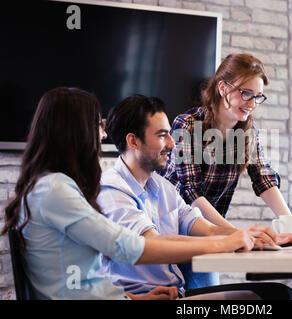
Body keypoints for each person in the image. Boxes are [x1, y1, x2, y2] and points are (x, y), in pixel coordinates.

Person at [0, 87, 256, 300]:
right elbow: (130, 248)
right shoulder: (55, 191)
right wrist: (225, 243)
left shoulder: (54, 187)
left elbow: (90, 283)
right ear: (74, 132)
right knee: (259, 299)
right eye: (95, 124)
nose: (102, 134)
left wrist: (136, 299)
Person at [96, 94, 292, 300]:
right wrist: (227, 242)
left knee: (279, 294)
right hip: (144, 297)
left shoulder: (164, 188)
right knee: (275, 297)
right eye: (162, 135)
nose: (173, 144)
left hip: (175, 294)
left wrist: (253, 237)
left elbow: (205, 228)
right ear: (133, 141)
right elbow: (150, 243)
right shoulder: (111, 189)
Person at [161, 53, 292, 288]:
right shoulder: (187, 124)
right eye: (245, 93)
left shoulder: (248, 133)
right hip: (172, 234)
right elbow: (190, 192)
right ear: (222, 88)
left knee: (205, 297)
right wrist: (235, 234)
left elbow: (264, 179)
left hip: (210, 235)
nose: (251, 103)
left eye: (257, 96)